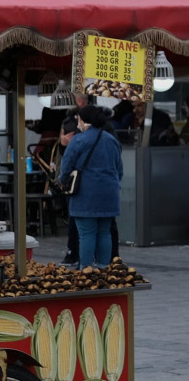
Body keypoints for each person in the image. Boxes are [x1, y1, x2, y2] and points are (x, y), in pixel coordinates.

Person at [60, 105, 123, 269]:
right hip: (110, 193)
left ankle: (86, 271)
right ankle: (103, 268)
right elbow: (119, 170)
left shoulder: (79, 140)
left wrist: (62, 180)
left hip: (85, 194)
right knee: (104, 232)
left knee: (86, 233)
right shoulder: (111, 140)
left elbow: (66, 167)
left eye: (78, 119)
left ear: (82, 120)